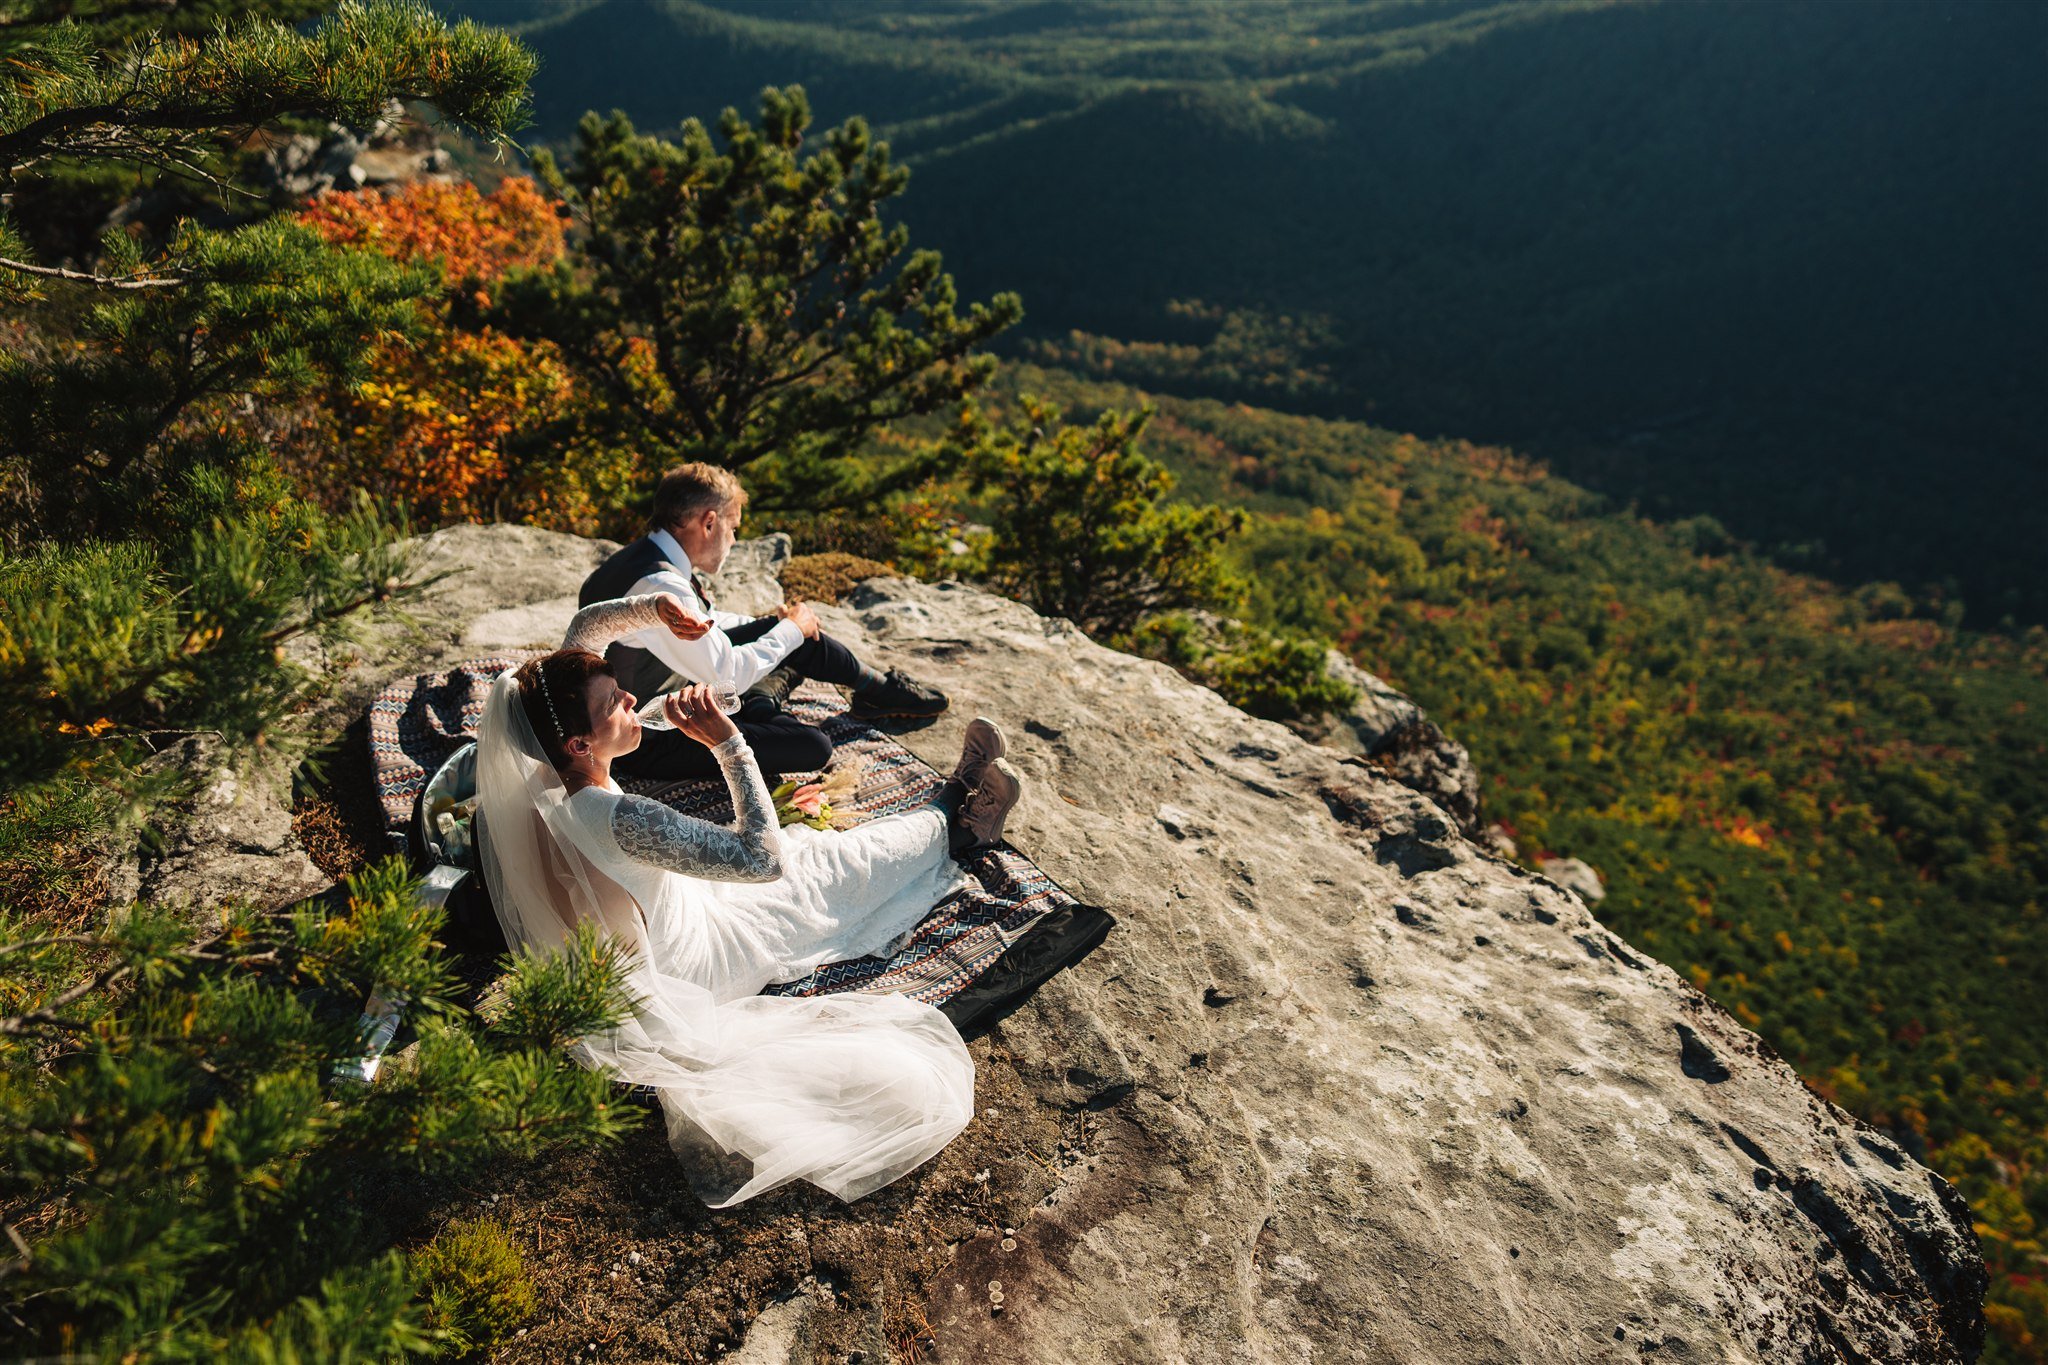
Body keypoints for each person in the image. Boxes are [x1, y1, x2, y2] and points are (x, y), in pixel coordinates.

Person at [473, 590, 1021, 1206]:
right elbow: (761, 861)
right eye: (614, 704)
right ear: (579, 744)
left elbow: (588, 627)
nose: (632, 698)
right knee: (830, 869)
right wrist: (728, 743)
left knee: (815, 855)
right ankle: (959, 813)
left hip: (672, 916)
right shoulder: (617, 817)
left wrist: (659, 610)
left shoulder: (549, 761)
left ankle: (952, 807)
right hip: (703, 959)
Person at [579, 463, 949, 784]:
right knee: (812, 746)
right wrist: (791, 631)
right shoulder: (660, 584)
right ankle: (762, 700)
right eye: (733, 528)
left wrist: (776, 625)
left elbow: (707, 624)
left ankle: (876, 688)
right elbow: (726, 674)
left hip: (679, 688)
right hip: (652, 736)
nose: (734, 540)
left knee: (785, 636)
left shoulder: (644, 559)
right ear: (709, 523)